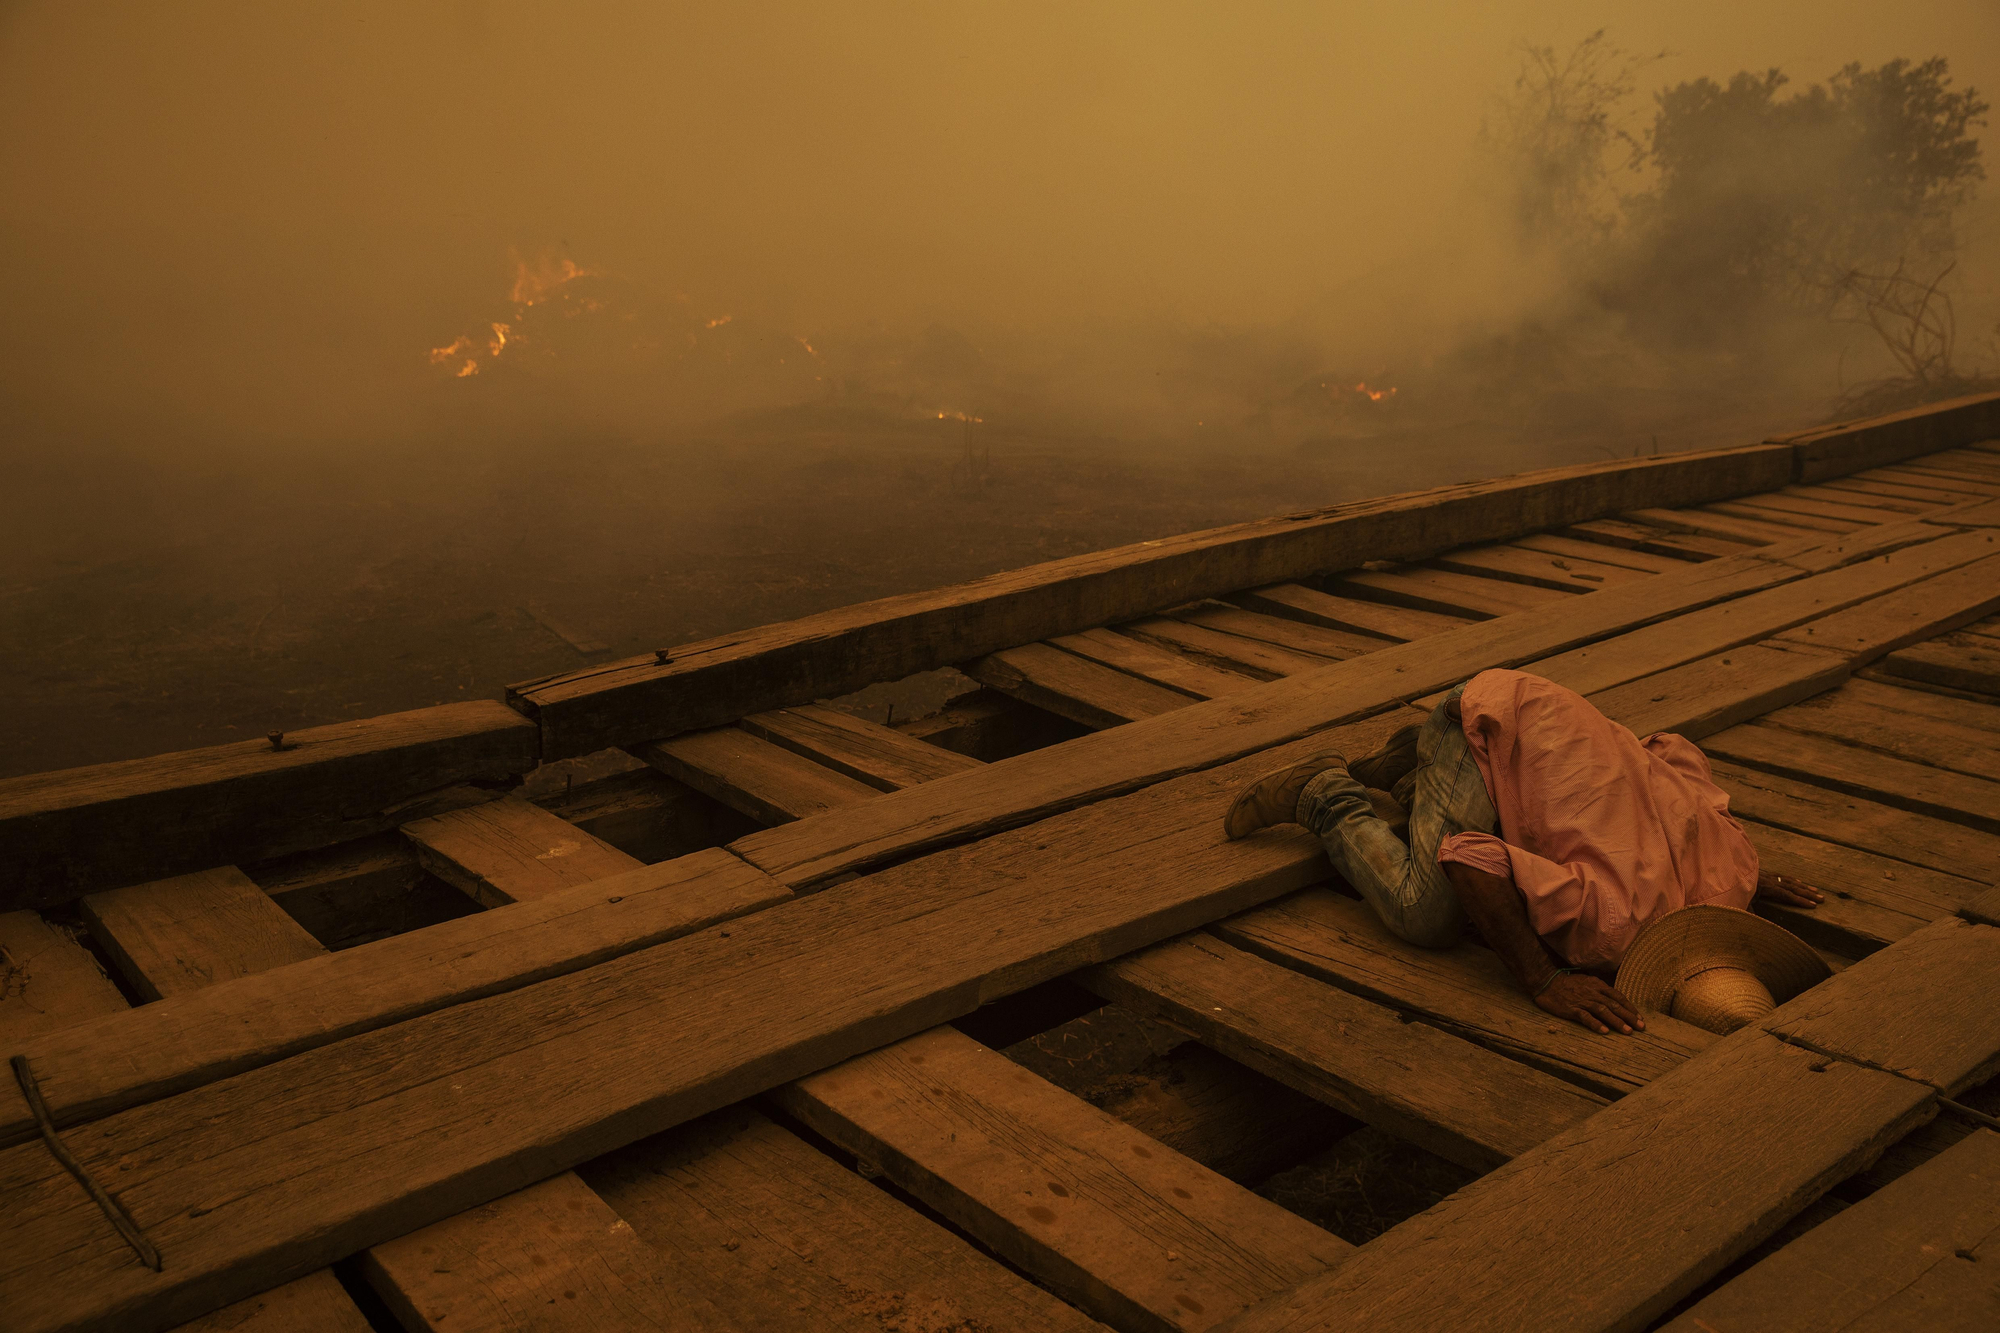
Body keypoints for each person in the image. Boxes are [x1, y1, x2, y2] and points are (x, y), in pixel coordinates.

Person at [1222, 667, 1825, 1035]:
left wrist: (1747, 873)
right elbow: (1469, 858)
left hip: (1543, 717)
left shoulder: (1734, 871)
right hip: (1489, 718)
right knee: (1426, 915)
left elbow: (1670, 750)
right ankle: (1323, 793)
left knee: (1535, 830)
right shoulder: (1610, 930)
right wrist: (1543, 978)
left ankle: (1415, 774)